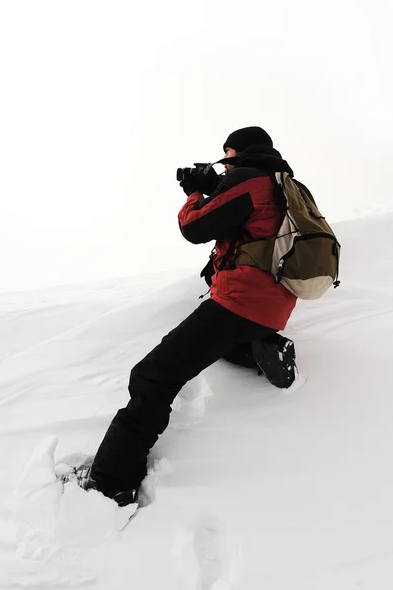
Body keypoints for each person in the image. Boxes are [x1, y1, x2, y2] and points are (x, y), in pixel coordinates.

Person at [82, 127, 299, 507]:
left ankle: (111, 483)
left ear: (241, 152)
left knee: (152, 376)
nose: (225, 159)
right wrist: (219, 186)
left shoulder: (250, 180)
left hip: (239, 302)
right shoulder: (286, 185)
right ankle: (261, 349)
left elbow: (194, 226)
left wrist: (195, 193)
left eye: (228, 152)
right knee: (216, 346)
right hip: (275, 306)